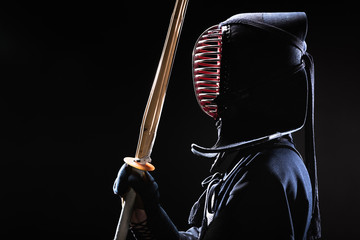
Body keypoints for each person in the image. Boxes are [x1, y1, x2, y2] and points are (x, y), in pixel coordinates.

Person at [113, 12, 321, 240]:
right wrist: (146, 215)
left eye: (226, 77)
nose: (215, 97)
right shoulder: (255, 160)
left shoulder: (267, 175)